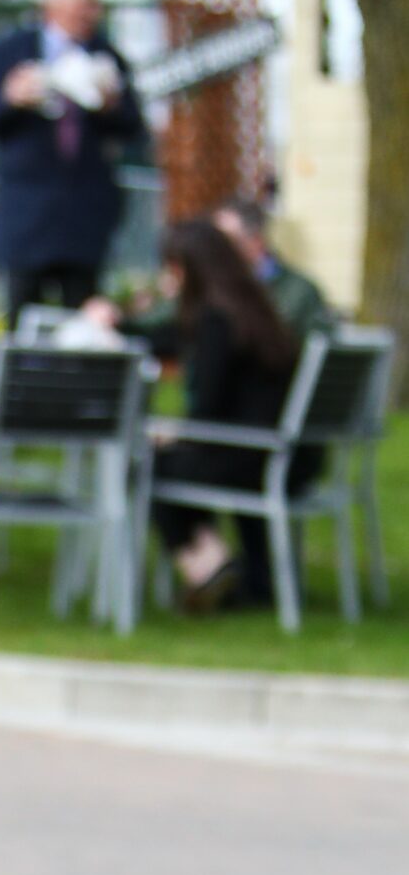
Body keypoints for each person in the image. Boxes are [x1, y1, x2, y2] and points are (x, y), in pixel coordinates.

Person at [0, 0, 147, 325]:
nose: (93, 13)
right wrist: (11, 97)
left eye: (95, 5)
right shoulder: (11, 51)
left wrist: (110, 104)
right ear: (54, 5)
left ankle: (73, 383)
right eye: (86, 3)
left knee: (82, 321)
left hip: (84, 215)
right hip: (28, 215)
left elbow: (133, 126)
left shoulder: (106, 55)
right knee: (22, 318)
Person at [146, 216, 305, 609]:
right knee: (171, 458)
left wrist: (171, 433)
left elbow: (209, 409)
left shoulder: (217, 319)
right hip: (290, 452)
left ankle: (210, 566)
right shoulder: (257, 309)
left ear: (190, 270)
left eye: (175, 268)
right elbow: (168, 336)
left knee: (145, 462)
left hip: (248, 454)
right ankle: (251, 578)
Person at [212, 194, 336, 345]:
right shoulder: (211, 286)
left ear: (255, 240)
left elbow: (319, 354)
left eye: (226, 241)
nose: (216, 250)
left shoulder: (300, 292)